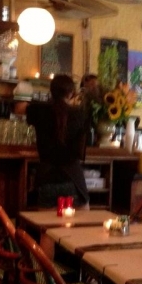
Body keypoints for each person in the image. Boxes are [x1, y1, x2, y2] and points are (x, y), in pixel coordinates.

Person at [26, 74, 90, 209]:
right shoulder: (80, 114)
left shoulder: (37, 110)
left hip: (46, 179)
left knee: (44, 223)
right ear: (71, 93)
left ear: (51, 91)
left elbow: (20, 108)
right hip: (73, 180)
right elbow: (82, 149)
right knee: (83, 219)